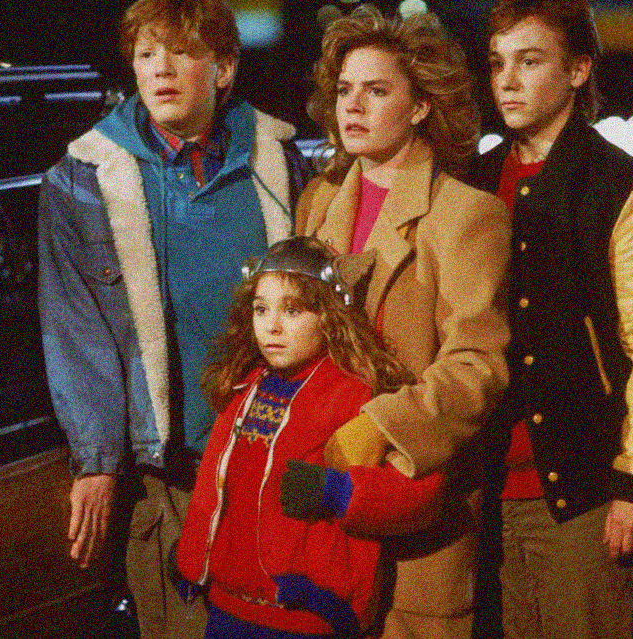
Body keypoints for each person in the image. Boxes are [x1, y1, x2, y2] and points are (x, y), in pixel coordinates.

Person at [37, 0, 311, 639]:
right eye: (145, 53)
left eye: (181, 52)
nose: (160, 68)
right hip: (172, 478)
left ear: (224, 69)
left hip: (275, 463)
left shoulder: (277, 160)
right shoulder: (82, 179)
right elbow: (76, 332)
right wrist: (97, 460)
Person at [470, 0, 633, 639]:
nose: (507, 79)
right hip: (479, 488)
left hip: (579, 489)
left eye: (530, 61)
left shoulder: (629, 189)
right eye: (497, 62)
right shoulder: (473, 180)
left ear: (578, 70)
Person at [297, 6, 511, 639]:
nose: (352, 105)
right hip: (325, 493)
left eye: (376, 90)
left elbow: (477, 365)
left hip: (417, 504)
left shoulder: (466, 213)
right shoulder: (319, 201)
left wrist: (380, 428)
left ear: (420, 106)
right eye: (344, 90)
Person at [173, 236, 446, 638]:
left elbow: (423, 489)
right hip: (228, 607)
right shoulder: (245, 387)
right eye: (261, 309)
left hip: (305, 614)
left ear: (328, 316)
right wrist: (191, 558)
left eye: (293, 310)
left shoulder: (353, 394)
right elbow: (213, 484)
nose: (272, 326)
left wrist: (338, 493)